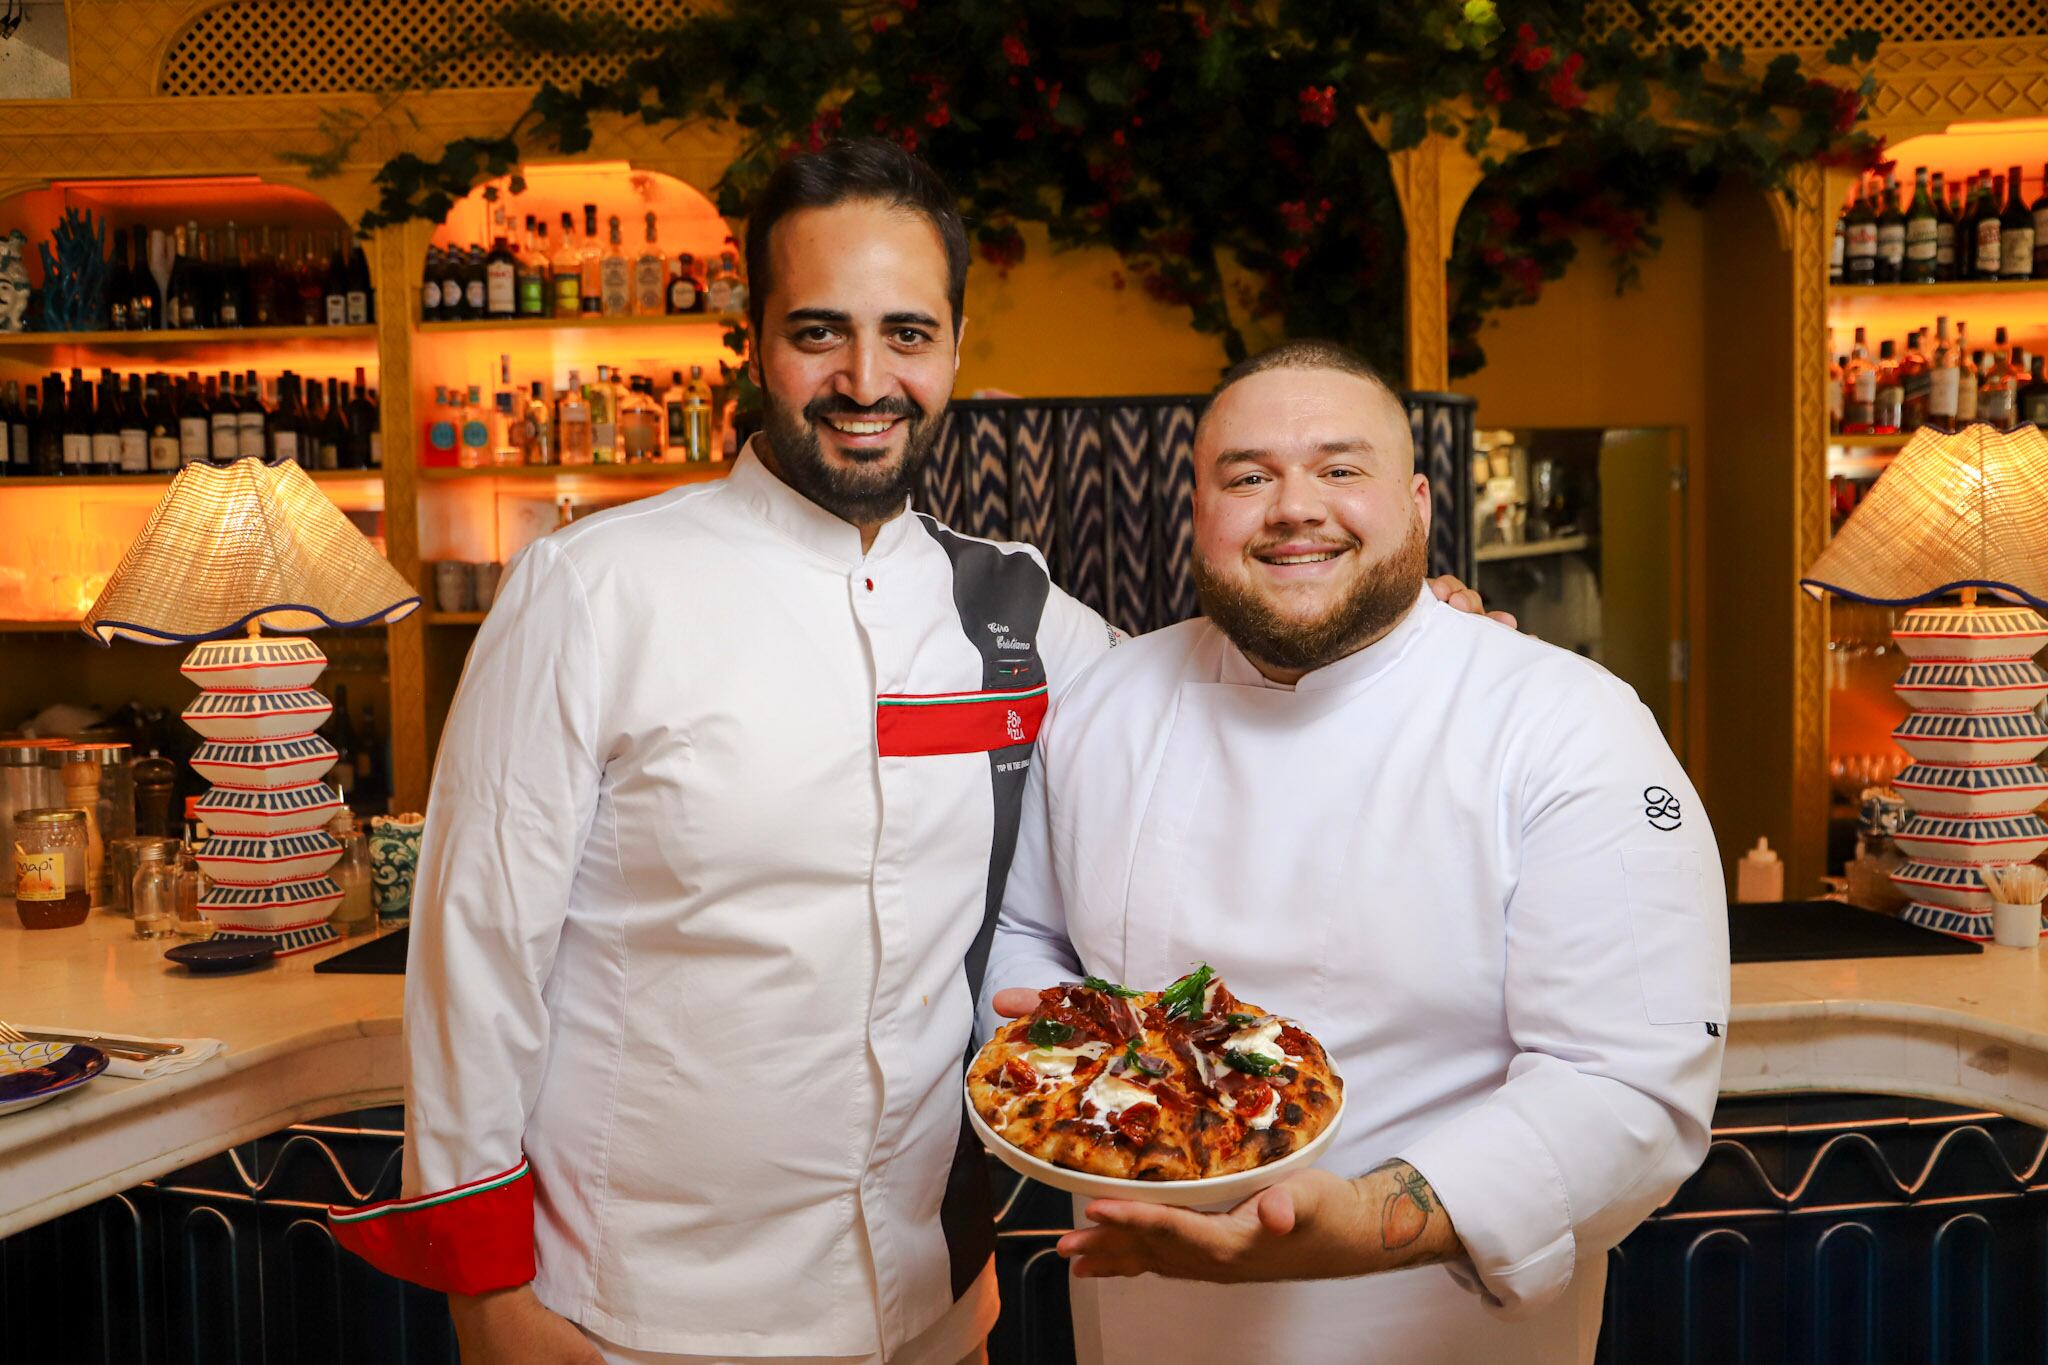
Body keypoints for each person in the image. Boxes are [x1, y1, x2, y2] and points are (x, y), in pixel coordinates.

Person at [327, 140, 1492, 1363]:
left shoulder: (1017, 610)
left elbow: (1220, 685)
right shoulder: (592, 590)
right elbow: (476, 952)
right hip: (635, 1311)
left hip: (932, 1301)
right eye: (818, 331)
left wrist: (1417, 633)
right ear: (754, 338)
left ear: (954, 345)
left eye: (906, 334)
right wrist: (489, 1300)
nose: (864, 378)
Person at [982, 340, 1728, 1364]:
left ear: (1419, 504)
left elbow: (1626, 1085)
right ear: (1196, 511)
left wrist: (1361, 1224)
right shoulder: (1105, 703)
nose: (1293, 506)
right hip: (1148, 1319)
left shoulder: (1567, 722)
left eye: (1339, 469)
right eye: (1246, 477)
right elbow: (1027, 931)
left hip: (1437, 1323)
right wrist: (1058, 1047)